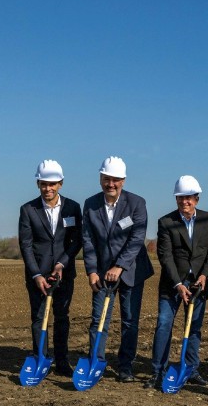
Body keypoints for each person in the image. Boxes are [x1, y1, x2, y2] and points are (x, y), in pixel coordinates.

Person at [81, 156, 155, 383]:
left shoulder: (136, 203)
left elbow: (136, 238)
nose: (110, 184)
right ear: (100, 178)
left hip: (132, 271)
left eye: (115, 180)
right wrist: (92, 270)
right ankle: (96, 362)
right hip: (102, 273)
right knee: (98, 320)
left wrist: (119, 266)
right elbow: (88, 239)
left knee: (130, 321)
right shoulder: (91, 204)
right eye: (106, 179)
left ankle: (125, 366)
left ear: (122, 180)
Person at [146, 175, 208, 389]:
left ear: (197, 198)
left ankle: (191, 369)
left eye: (189, 198)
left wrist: (204, 275)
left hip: (199, 283)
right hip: (173, 283)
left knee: (194, 327)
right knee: (163, 325)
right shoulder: (166, 222)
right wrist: (178, 284)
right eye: (180, 198)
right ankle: (158, 371)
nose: (184, 202)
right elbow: (165, 255)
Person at [17, 159, 82, 377]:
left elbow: (76, 241)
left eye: (52, 184)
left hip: (63, 272)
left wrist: (62, 263)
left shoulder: (73, 207)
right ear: (38, 184)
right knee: (38, 318)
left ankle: (62, 361)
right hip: (37, 274)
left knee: (62, 317)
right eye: (44, 184)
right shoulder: (28, 209)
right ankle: (41, 359)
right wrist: (36, 274)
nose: (48, 188)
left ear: (60, 184)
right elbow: (25, 245)